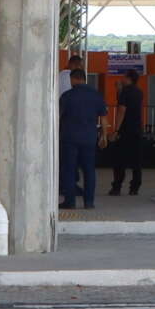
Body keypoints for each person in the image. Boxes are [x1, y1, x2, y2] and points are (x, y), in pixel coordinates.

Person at [56, 69, 105, 209]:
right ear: (84, 78)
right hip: (89, 138)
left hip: (69, 138)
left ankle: (70, 202)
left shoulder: (67, 96)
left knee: (69, 170)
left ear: (73, 79)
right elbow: (103, 117)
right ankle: (89, 202)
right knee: (89, 171)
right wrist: (104, 136)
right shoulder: (96, 95)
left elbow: (58, 116)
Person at [106, 74, 147, 198]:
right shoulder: (139, 92)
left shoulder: (125, 91)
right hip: (137, 130)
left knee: (119, 160)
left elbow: (122, 110)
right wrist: (119, 90)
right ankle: (135, 188)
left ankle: (117, 187)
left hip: (125, 130)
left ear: (129, 79)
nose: (122, 79)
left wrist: (116, 130)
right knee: (137, 161)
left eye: (124, 77)